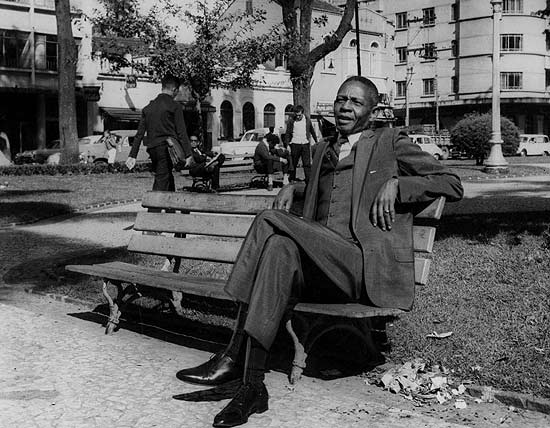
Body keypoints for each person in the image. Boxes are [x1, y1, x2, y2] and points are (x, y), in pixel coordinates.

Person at [175, 76, 464, 428]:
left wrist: (398, 184)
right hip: (320, 269)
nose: (345, 107)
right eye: (341, 99)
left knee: (268, 219)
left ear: (372, 111)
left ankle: (233, 353)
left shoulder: (390, 142)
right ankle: (252, 386)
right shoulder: (323, 148)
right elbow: (323, 196)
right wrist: (296, 188)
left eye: (356, 102)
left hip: (358, 266)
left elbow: (452, 182)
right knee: (279, 247)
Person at [126, 75, 192, 190]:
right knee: (161, 180)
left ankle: (171, 201)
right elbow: (181, 132)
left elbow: (139, 134)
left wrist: (132, 155)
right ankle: (154, 202)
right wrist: (188, 154)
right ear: (174, 90)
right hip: (166, 149)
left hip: (152, 149)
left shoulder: (148, 108)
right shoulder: (175, 106)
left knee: (167, 177)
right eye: (177, 91)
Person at [285, 105, 318, 183]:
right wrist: (287, 145)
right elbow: (287, 133)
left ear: (302, 113)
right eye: (296, 115)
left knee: (307, 163)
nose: (298, 117)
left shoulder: (307, 120)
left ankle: (308, 180)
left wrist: (316, 141)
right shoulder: (291, 121)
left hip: (305, 143)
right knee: (294, 163)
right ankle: (292, 179)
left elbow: (312, 131)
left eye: (299, 115)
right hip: (295, 143)